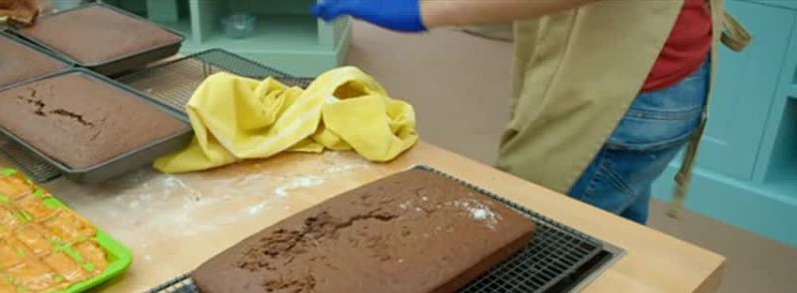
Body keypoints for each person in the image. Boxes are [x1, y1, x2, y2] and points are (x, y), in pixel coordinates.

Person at [312, 0, 750, 224]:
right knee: (609, 233)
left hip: (631, 100)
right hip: (657, 83)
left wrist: (427, 10)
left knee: (537, 234)